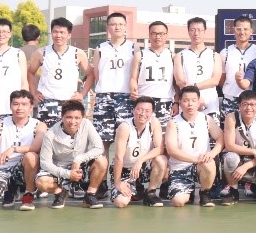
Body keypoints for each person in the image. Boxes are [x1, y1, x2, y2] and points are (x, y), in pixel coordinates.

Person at [34, 100, 109, 209]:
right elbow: (45, 163)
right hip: (60, 169)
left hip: (80, 167)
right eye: (69, 117)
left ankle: (90, 195)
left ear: (83, 117)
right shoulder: (50, 134)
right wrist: (68, 174)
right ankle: (60, 192)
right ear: (62, 117)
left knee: (102, 160)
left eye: (77, 118)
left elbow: (99, 148)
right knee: (41, 182)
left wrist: (79, 159)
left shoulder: (87, 124)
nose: (73, 121)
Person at [165, 85, 224, 207]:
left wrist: (212, 153)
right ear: (180, 102)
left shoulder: (206, 119)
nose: (190, 104)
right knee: (178, 202)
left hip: (200, 166)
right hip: (180, 168)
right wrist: (195, 159)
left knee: (209, 163)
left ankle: (204, 193)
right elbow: (171, 150)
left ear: (198, 102)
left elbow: (221, 138)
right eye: (186, 100)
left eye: (193, 100)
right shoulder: (173, 123)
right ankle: (188, 191)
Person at [27, 17, 93, 126]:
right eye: (55, 32)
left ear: (69, 35)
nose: (58, 35)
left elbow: (90, 74)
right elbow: (30, 72)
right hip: (47, 102)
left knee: (69, 134)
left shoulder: (78, 53)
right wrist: (34, 92)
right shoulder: (41, 53)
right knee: (45, 134)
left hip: (69, 102)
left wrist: (82, 94)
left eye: (62, 32)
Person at [110, 96, 168, 208]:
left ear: (152, 113)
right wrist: (118, 183)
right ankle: (136, 188)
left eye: (147, 111)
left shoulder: (154, 123)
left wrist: (140, 161)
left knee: (161, 160)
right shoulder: (124, 127)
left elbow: (159, 149)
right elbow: (118, 157)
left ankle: (150, 192)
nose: (143, 113)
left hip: (143, 167)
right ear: (133, 110)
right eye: (140, 109)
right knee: (121, 202)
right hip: (125, 170)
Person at [219, 90, 256, 205]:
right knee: (230, 158)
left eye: (252, 104)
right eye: (245, 104)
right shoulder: (231, 118)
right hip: (236, 155)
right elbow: (229, 145)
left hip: (253, 160)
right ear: (239, 106)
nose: (249, 108)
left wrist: (246, 166)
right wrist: (254, 151)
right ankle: (233, 191)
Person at [92, 12, 135, 149]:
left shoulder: (133, 48)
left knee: (126, 139)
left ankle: (121, 164)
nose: (117, 27)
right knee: (102, 140)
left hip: (126, 97)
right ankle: (102, 164)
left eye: (121, 24)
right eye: (113, 24)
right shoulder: (100, 48)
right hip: (104, 97)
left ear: (125, 26)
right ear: (108, 27)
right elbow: (96, 72)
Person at [173, 16, 223, 119]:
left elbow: (215, 80)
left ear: (205, 31)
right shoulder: (180, 56)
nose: (196, 33)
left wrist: (194, 86)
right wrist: (194, 98)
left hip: (210, 104)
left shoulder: (215, 55)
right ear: (188, 32)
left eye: (200, 30)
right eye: (193, 30)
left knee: (212, 129)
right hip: (188, 105)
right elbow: (180, 81)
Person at [129, 20, 175, 127]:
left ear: (166, 35)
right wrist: (133, 90)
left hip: (165, 101)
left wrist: (176, 102)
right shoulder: (140, 55)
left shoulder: (172, 56)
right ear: (149, 35)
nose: (158, 37)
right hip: (144, 100)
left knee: (163, 133)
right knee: (142, 131)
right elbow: (133, 78)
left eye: (161, 34)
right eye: (154, 33)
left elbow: (176, 82)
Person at [220, 15, 256, 118]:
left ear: (251, 31)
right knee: (228, 127)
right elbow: (221, 79)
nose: (242, 32)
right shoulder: (225, 52)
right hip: (230, 99)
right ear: (234, 30)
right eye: (239, 29)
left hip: (251, 101)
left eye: (245, 29)